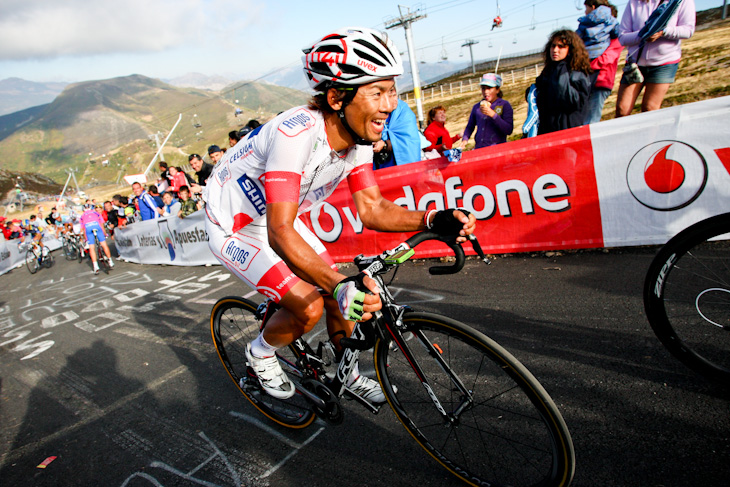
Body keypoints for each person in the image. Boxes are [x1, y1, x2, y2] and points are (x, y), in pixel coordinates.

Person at [203, 26, 476, 401]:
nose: (389, 104)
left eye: (391, 90)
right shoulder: (294, 134)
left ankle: (345, 374)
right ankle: (260, 351)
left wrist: (432, 219)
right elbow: (280, 232)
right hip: (235, 225)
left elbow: (373, 208)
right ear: (336, 98)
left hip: (276, 215)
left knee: (339, 290)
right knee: (312, 303)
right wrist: (336, 283)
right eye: (377, 92)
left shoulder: (359, 138)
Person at [615, 0, 696, 117]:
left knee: (650, 109)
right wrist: (643, 35)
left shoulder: (682, 1)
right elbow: (622, 37)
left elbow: (688, 30)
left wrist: (664, 32)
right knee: (622, 109)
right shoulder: (634, 2)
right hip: (635, 65)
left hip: (664, 63)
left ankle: (650, 135)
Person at [534, 30, 592, 134]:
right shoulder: (547, 72)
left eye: (561, 46)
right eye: (553, 46)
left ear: (570, 49)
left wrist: (561, 69)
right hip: (547, 131)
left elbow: (570, 101)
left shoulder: (578, 73)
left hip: (570, 130)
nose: (555, 50)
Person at [580, 1, 623, 124]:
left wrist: (584, 66)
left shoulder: (616, 38)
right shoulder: (592, 37)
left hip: (601, 81)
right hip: (587, 80)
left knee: (591, 118)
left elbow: (607, 59)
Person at [459, 73, 513, 149]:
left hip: (498, 149)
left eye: (489, 88)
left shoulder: (504, 105)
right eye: (483, 88)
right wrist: (465, 140)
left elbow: (508, 130)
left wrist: (493, 115)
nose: (486, 92)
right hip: (479, 149)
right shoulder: (477, 107)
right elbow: (470, 126)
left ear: (497, 90)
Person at [372, 98, 422, 169]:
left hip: (402, 166)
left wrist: (385, 144)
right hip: (377, 164)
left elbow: (410, 140)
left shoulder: (403, 111)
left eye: (393, 93)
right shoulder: (371, 107)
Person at [80, 203, 114, 274]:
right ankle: (110, 260)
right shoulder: (96, 213)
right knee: (104, 244)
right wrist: (104, 233)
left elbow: (83, 229)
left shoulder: (82, 216)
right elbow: (101, 224)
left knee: (92, 248)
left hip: (88, 228)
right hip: (97, 226)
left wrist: (86, 239)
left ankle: (95, 266)